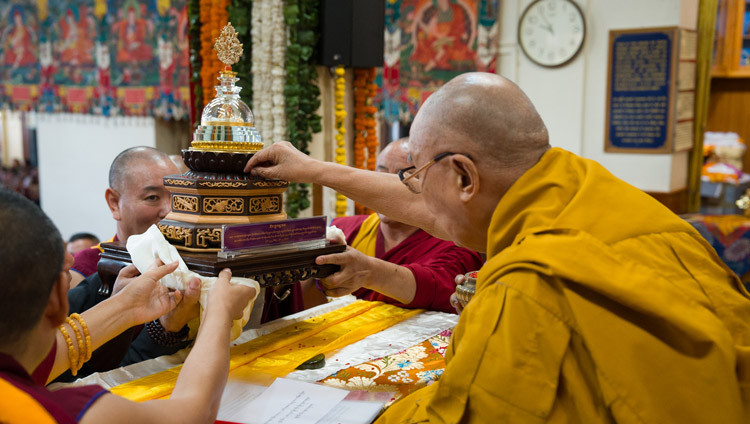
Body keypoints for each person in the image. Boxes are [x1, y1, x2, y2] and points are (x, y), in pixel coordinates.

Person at [246, 72, 750, 422]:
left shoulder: (527, 288)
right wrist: (312, 169)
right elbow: (436, 206)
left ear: (464, 175)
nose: (412, 193)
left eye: (416, 176)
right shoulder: (587, 191)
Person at [0, 188, 255, 423]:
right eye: (153, 197)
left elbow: (61, 347)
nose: (169, 211)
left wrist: (126, 305)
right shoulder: (67, 412)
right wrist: (218, 311)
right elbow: (195, 412)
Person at [63, 146, 199, 380]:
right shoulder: (92, 269)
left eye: (177, 197)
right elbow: (89, 378)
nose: (169, 211)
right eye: (153, 197)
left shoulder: (193, 261)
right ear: (114, 203)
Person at [303, 138, 483, 313]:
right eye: (380, 175)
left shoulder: (455, 240)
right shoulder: (344, 228)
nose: (383, 188)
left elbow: (437, 286)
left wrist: (368, 271)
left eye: (402, 176)